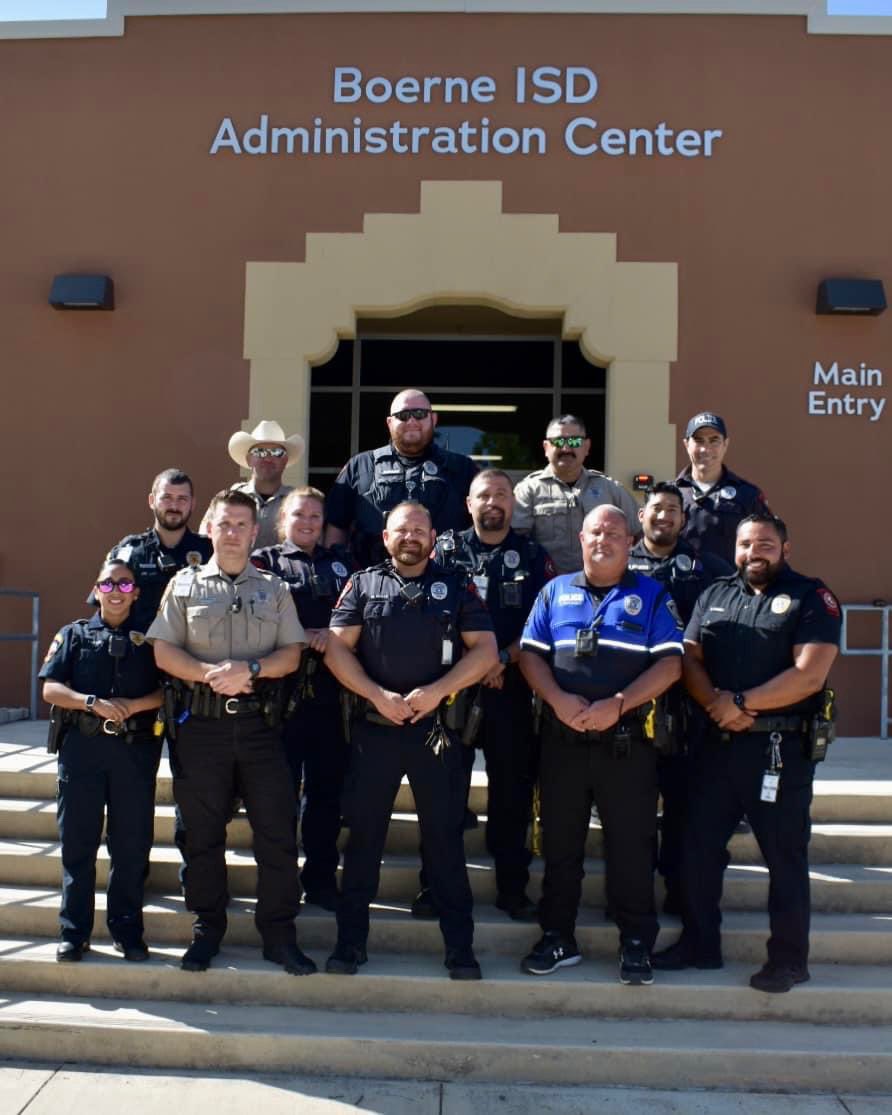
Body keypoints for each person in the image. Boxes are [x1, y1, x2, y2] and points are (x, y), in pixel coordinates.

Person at [653, 514, 841, 994]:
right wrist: (715, 705)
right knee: (696, 850)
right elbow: (688, 655)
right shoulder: (715, 593)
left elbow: (809, 675)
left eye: (765, 544)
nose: (753, 552)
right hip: (714, 745)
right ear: (734, 548)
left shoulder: (811, 597)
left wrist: (740, 704)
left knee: (784, 857)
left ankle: (788, 959)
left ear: (785, 547)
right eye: (745, 544)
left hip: (778, 750)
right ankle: (700, 944)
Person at [324, 501, 498, 980]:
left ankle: (460, 950)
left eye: (419, 530)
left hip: (436, 732)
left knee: (444, 843)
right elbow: (337, 649)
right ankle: (349, 945)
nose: (410, 538)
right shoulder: (363, 583)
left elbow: (485, 651)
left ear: (433, 536)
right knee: (363, 841)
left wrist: (439, 691)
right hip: (374, 731)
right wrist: (377, 695)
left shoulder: (457, 584)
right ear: (386, 537)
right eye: (402, 530)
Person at [148, 488, 313, 975]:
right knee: (200, 835)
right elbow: (163, 651)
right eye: (224, 524)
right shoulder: (183, 586)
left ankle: (279, 936)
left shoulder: (275, 589)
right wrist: (210, 676)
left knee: (277, 836)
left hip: (263, 729)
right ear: (209, 529)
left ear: (255, 531)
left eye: (242, 524)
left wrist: (252, 670)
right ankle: (206, 929)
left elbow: (292, 654)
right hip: (202, 729)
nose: (234, 533)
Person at [518, 505, 683, 985]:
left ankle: (635, 942)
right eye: (595, 531)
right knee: (560, 845)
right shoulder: (554, 591)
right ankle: (557, 937)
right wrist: (557, 700)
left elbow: (670, 666)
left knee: (631, 846)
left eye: (613, 532)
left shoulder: (651, 595)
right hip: (562, 741)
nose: (603, 539)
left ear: (629, 541)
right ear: (581, 537)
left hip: (627, 745)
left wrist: (619, 703)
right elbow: (530, 657)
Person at [430, 468, 556, 921]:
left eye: (501, 494)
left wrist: (501, 659)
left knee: (511, 797)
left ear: (513, 503)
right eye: (484, 495)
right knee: (443, 796)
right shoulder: (443, 550)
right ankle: (436, 888)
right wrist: (474, 667)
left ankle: (512, 889)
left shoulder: (533, 556)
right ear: (470, 504)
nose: (493, 502)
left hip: (512, 690)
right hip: (453, 692)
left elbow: (544, 625)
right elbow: (428, 615)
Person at [39, 560, 163, 963]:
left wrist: (133, 705)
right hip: (83, 754)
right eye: (108, 583)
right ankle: (74, 933)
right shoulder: (73, 634)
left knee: (130, 848)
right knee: (78, 847)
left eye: (124, 584)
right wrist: (90, 703)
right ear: (96, 589)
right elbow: (51, 689)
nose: (115, 591)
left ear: (136, 593)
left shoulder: (151, 640)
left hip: (133, 753)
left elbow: (168, 691)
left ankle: (127, 932)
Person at [627, 481, 732, 912]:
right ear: (642, 516)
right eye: (657, 508)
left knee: (682, 807)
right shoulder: (621, 563)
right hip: (632, 704)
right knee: (631, 808)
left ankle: (676, 891)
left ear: (683, 520)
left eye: (673, 509)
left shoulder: (707, 568)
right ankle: (631, 895)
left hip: (687, 707)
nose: (664, 516)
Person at [251, 486, 353, 911]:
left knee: (326, 797)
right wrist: (304, 637)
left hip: (330, 697)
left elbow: (360, 617)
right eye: (299, 515)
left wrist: (331, 636)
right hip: (279, 700)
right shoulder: (264, 564)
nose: (308, 523)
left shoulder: (344, 566)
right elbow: (257, 621)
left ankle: (321, 880)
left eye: (316, 516)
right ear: (282, 522)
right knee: (277, 798)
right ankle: (278, 884)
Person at [324, 388, 478, 568]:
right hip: (373, 585)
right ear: (389, 423)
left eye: (420, 414)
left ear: (433, 419)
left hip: (446, 585)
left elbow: (481, 528)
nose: (412, 420)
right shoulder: (360, 466)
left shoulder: (462, 468)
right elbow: (336, 528)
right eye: (403, 415)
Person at [512, 414, 639, 575]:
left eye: (574, 442)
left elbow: (638, 534)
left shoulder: (610, 489)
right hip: (547, 588)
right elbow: (515, 542)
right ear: (546, 447)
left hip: (601, 589)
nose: (566, 449)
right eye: (558, 441)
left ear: (586, 447)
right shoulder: (528, 490)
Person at [98, 468, 213, 631]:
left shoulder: (209, 552)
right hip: (138, 650)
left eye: (182, 499)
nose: (174, 506)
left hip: (191, 651)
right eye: (166, 498)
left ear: (192, 504)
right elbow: (105, 606)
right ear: (152, 500)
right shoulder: (130, 551)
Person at [676, 412, 771, 565]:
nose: (705, 449)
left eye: (714, 441)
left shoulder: (747, 494)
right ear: (686, 445)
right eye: (699, 441)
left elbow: (767, 542)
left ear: (725, 444)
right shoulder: (671, 494)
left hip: (731, 586)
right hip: (681, 586)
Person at [201, 420, 305, 550]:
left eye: (277, 453)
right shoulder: (227, 500)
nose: (267, 458)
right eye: (259, 452)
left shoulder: (298, 502)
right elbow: (205, 540)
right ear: (248, 459)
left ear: (285, 460)